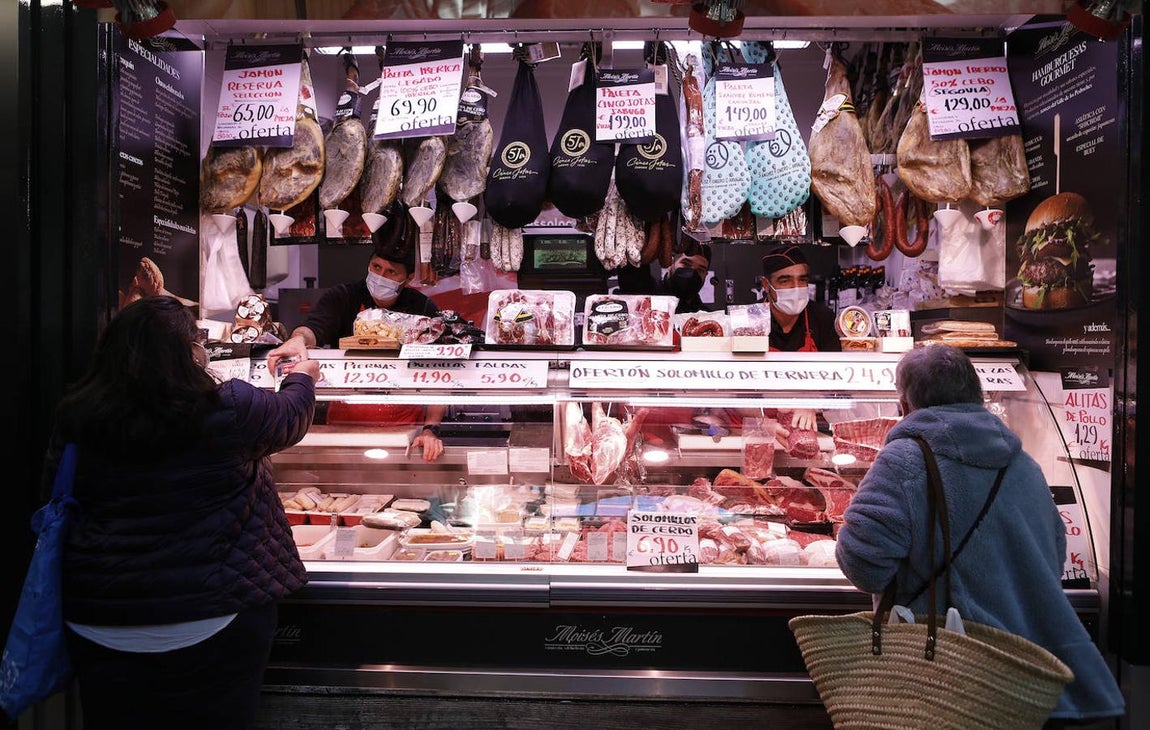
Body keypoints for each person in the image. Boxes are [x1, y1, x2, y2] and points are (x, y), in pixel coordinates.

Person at [45, 295, 321, 730]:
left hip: (101, 619)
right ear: (191, 352)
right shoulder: (225, 407)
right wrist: (302, 377)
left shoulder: (78, 414)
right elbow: (292, 414)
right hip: (211, 620)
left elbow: (60, 491)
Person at [835, 345, 1125, 726]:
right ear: (977, 395)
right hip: (1018, 668)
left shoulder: (904, 460)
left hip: (942, 664)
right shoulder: (1023, 464)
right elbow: (1054, 550)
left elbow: (863, 565)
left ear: (906, 403)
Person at [266, 237, 445, 461]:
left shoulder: (423, 308)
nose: (381, 276)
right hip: (346, 418)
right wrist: (298, 339)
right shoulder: (343, 296)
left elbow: (440, 375)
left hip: (404, 425)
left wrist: (431, 429)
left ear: (408, 279)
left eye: (392, 272)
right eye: (376, 267)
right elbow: (313, 329)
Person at [760, 243, 841, 354]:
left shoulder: (823, 318)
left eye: (802, 280)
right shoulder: (750, 320)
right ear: (766, 284)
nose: (796, 287)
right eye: (785, 281)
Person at [616, 243, 714, 314]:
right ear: (671, 263)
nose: (692, 273)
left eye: (700, 270)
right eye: (686, 264)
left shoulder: (706, 316)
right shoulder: (646, 295)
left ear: (706, 274)